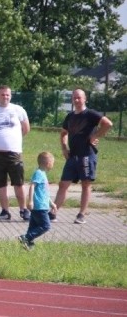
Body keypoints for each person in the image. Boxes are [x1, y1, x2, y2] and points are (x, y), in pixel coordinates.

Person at [52, 88, 113, 224]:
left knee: (85, 184)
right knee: (63, 184)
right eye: (74, 98)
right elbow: (63, 133)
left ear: (85, 99)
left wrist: (95, 136)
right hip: (72, 156)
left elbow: (108, 123)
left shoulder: (90, 114)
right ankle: (53, 212)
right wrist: (64, 148)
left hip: (87, 155)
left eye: (79, 97)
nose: (77, 100)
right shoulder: (70, 116)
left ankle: (81, 214)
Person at [0, 85, 30, 221]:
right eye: (3, 94)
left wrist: (13, 140)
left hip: (13, 153)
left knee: (18, 183)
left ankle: (23, 210)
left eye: (8, 95)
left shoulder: (18, 110)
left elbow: (26, 128)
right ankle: (5, 211)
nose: (5, 97)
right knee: (0, 184)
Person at [18, 152, 57, 250]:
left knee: (33, 227)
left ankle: (28, 245)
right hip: (39, 206)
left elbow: (43, 193)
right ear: (48, 163)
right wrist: (30, 201)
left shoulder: (42, 173)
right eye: (52, 162)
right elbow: (32, 186)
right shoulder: (39, 173)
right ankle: (26, 238)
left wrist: (51, 203)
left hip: (42, 205)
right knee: (45, 226)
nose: (53, 165)